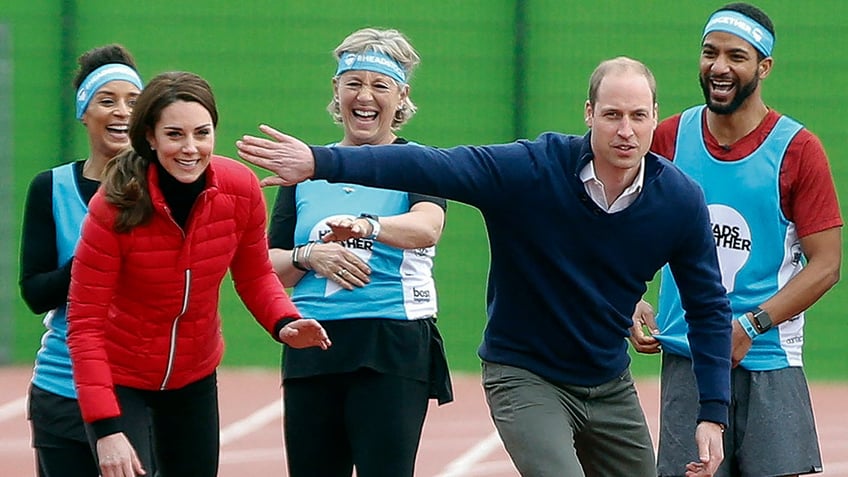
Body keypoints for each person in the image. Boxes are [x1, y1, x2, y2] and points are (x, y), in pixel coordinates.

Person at [238, 56, 733, 477]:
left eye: (637, 116)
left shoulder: (679, 201)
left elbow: (708, 308)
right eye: (611, 115)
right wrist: (321, 162)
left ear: (655, 117)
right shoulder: (532, 170)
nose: (625, 131)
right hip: (525, 372)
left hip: (608, 380)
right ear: (589, 114)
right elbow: (432, 166)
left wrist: (712, 413)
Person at [66, 71, 332, 477]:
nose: (190, 148)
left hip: (194, 375)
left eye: (202, 133)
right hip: (124, 379)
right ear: (150, 138)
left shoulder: (239, 188)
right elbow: (84, 322)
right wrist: (106, 430)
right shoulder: (114, 205)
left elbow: (256, 274)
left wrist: (285, 322)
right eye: (174, 134)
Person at [629, 3, 842, 477]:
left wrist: (751, 325)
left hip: (769, 360)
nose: (719, 66)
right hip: (690, 359)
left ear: (763, 67)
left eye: (736, 56)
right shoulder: (669, 139)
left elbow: (826, 264)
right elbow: (633, 229)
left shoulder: (798, 150)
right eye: (710, 52)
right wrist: (632, 298)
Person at [266, 27, 452, 477]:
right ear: (336, 90)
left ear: (401, 96)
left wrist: (368, 227)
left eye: (379, 85)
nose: (364, 96)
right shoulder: (305, 170)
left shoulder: (417, 163)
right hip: (313, 342)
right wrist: (309, 255)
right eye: (354, 83)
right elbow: (270, 265)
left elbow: (427, 227)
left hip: (391, 341)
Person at [19, 44, 143, 477]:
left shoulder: (163, 191)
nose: (121, 111)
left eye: (132, 101)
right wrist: (91, 264)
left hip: (140, 389)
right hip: (64, 386)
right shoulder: (50, 188)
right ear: (83, 113)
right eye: (106, 101)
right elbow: (35, 292)